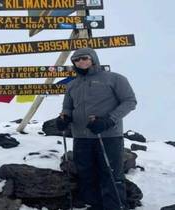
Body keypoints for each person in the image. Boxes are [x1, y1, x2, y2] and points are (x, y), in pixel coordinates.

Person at [56, 48, 137, 210]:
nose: (80, 62)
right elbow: (67, 108)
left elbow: (129, 101)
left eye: (84, 58)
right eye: (76, 60)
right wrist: (64, 119)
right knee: (86, 175)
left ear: (93, 58)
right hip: (81, 137)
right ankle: (93, 205)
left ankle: (114, 207)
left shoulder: (114, 78)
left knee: (111, 174)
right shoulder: (72, 85)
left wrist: (109, 120)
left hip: (107, 136)